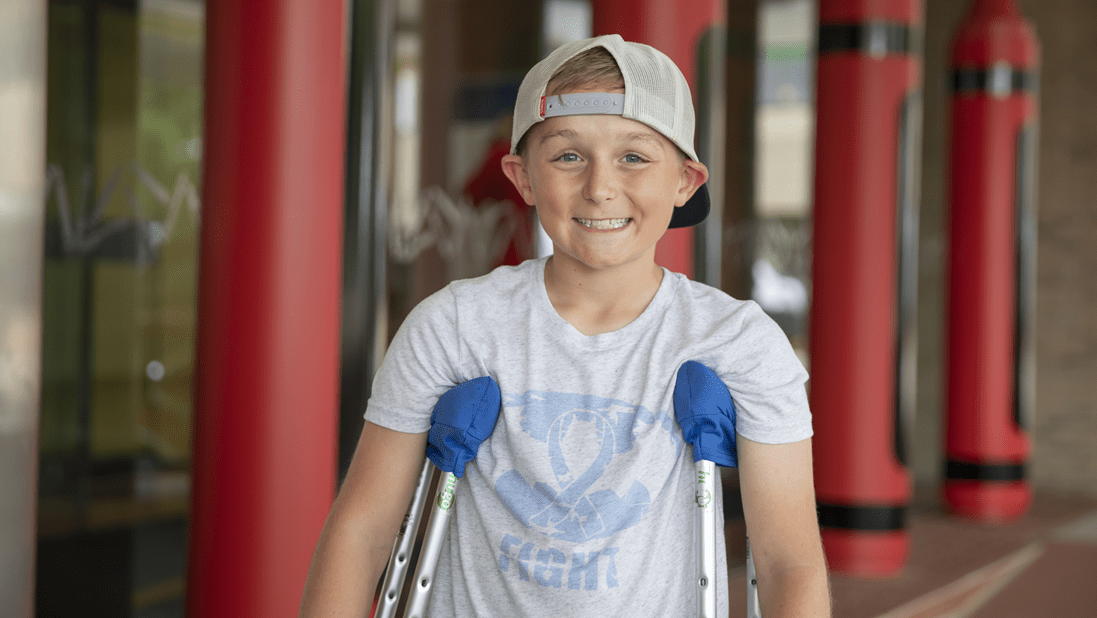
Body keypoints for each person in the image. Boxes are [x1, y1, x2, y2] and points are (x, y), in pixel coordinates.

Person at [300, 34, 830, 618]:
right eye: (568, 156)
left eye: (634, 156)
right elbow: (364, 531)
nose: (601, 187)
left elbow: (788, 563)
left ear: (684, 182)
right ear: (523, 177)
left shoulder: (739, 343)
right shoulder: (453, 327)